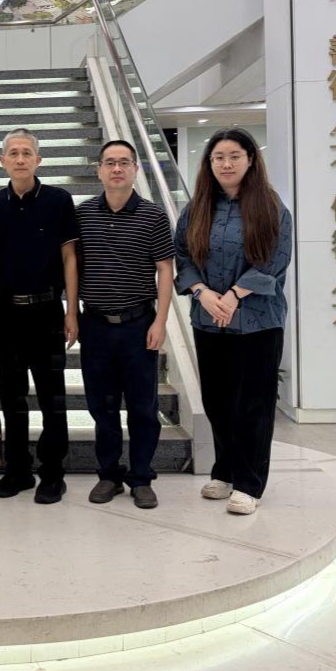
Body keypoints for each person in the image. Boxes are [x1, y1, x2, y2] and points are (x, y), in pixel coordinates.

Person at [174, 128, 293, 516]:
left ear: (250, 160)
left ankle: (248, 483)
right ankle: (224, 472)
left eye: (234, 156)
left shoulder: (272, 207)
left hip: (258, 322)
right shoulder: (196, 208)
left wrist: (234, 295)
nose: (226, 164)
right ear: (209, 163)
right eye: (218, 157)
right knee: (217, 400)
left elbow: (275, 260)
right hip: (209, 319)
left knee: (253, 403)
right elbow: (183, 256)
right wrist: (203, 293)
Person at [0, 128, 79, 504]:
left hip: (48, 311)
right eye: (13, 153)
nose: (20, 159)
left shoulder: (58, 200)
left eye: (26, 153)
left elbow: (70, 257)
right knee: (12, 396)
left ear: (38, 160)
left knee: (53, 398)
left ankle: (52, 472)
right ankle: (17, 469)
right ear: (2, 161)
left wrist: (72, 309)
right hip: (6, 313)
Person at [76, 139, 175, 509]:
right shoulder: (83, 214)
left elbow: (165, 270)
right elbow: (72, 265)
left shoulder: (153, 216)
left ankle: (142, 477)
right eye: (110, 162)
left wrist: (160, 321)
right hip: (95, 325)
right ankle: (108, 475)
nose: (117, 169)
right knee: (102, 407)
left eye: (124, 162)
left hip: (139, 324)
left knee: (143, 407)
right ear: (99, 170)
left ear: (135, 169)